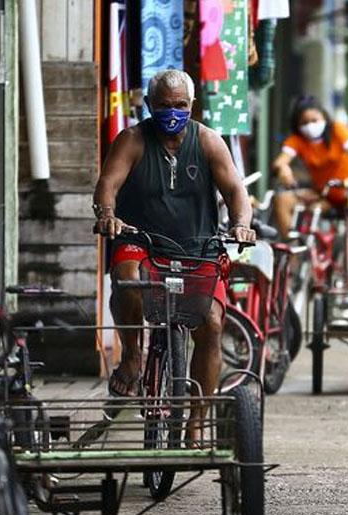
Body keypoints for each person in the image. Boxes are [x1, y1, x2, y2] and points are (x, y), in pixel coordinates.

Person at [92, 69, 256, 440]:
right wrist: (107, 215)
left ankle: (197, 421)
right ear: (150, 105)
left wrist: (241, 223)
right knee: (127, 279)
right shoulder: (132, 140)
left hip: (198, 247)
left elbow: (234, 191)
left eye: (180, 105)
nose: (172, 112)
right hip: (142, 241)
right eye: (164, 106)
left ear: (191, 105)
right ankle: (133, 354)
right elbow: (108, 185)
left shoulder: (210, 142)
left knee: (211, 325)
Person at [271, 95, 348, 238]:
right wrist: (284, 170)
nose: (310, 125)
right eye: (305, 122)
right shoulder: (297, 140)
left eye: (314, 120)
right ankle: (292, 250)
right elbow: (280, 162)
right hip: (324, 195)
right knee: (283, 199)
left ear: (324, 118)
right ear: (298, 125)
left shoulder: (337, 130)